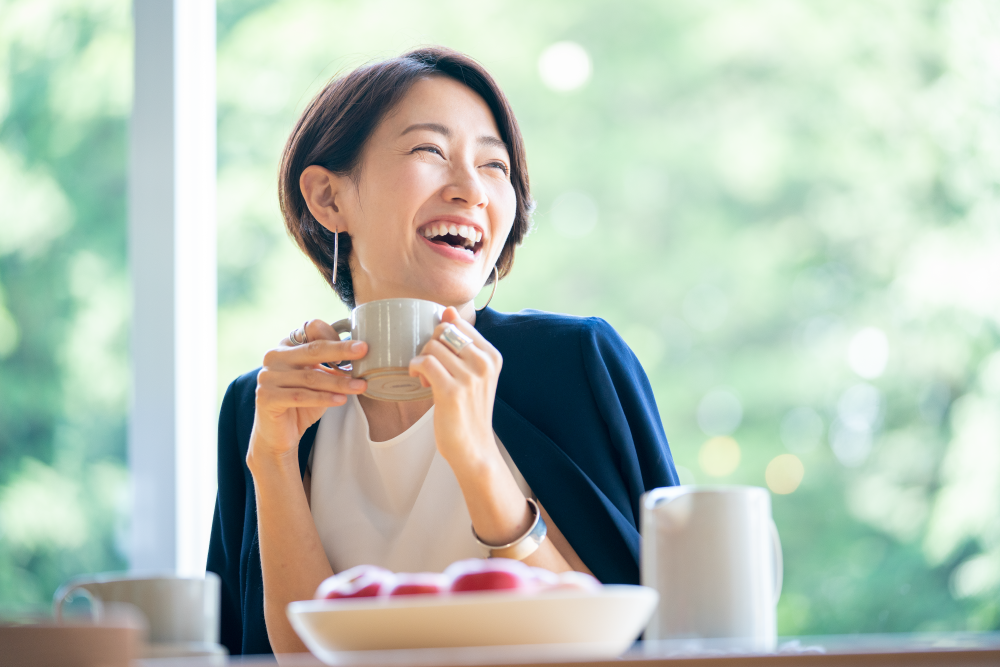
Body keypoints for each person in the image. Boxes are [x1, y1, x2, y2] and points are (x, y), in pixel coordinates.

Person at [207, 46, 679, 656]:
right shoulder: (262, 407)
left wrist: (478, 459)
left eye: (495, 166)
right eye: (430, 151)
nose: (471, 191)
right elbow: (288, 656)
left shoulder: (574, 365)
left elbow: (658, 642)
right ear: (328, 198)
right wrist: (272, 462)